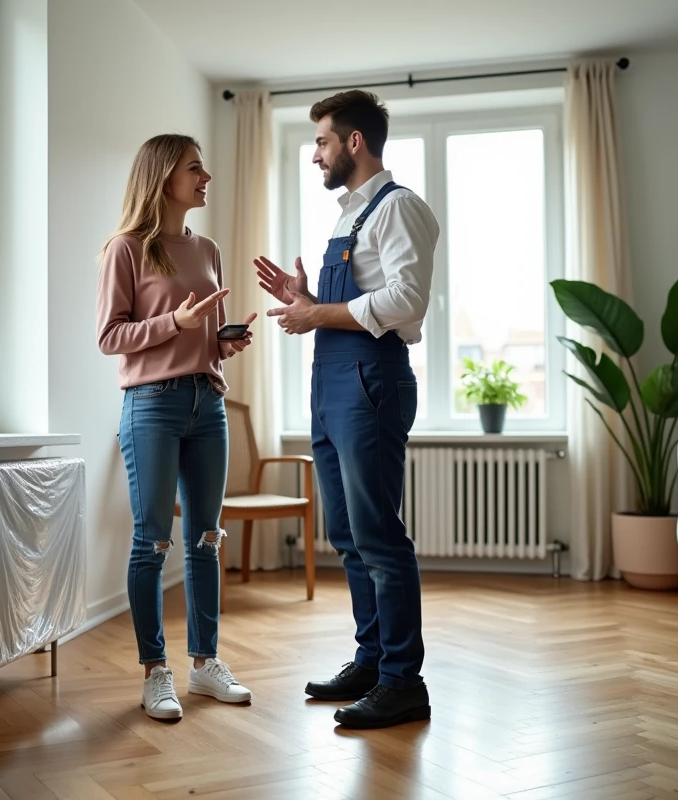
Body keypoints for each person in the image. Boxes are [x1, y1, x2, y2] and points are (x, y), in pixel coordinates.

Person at [256, 90, 440, 729]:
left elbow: (406, 303)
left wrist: (316, 314)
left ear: (354, 142)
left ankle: (401, 681)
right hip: (332, 385)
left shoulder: (401, 208)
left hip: (370, 385)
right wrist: (303, 298)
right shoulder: (348, 217)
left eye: (323, 143)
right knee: (345, 533)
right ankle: (370, 660)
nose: (317, 156)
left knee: (380, 536)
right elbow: (350, 300)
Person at [96, 133, 256, 721]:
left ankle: (205, 664)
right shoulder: (126, 249)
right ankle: (154, 670)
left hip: (205, 402)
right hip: (152, 406)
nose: (205, 176)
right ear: (164, 177)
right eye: (195, 168)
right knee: (152, 539)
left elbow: (196, 336)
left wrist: (219, 340)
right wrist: (174, 320)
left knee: (206, 539)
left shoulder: (207, 248)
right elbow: (110, 336)